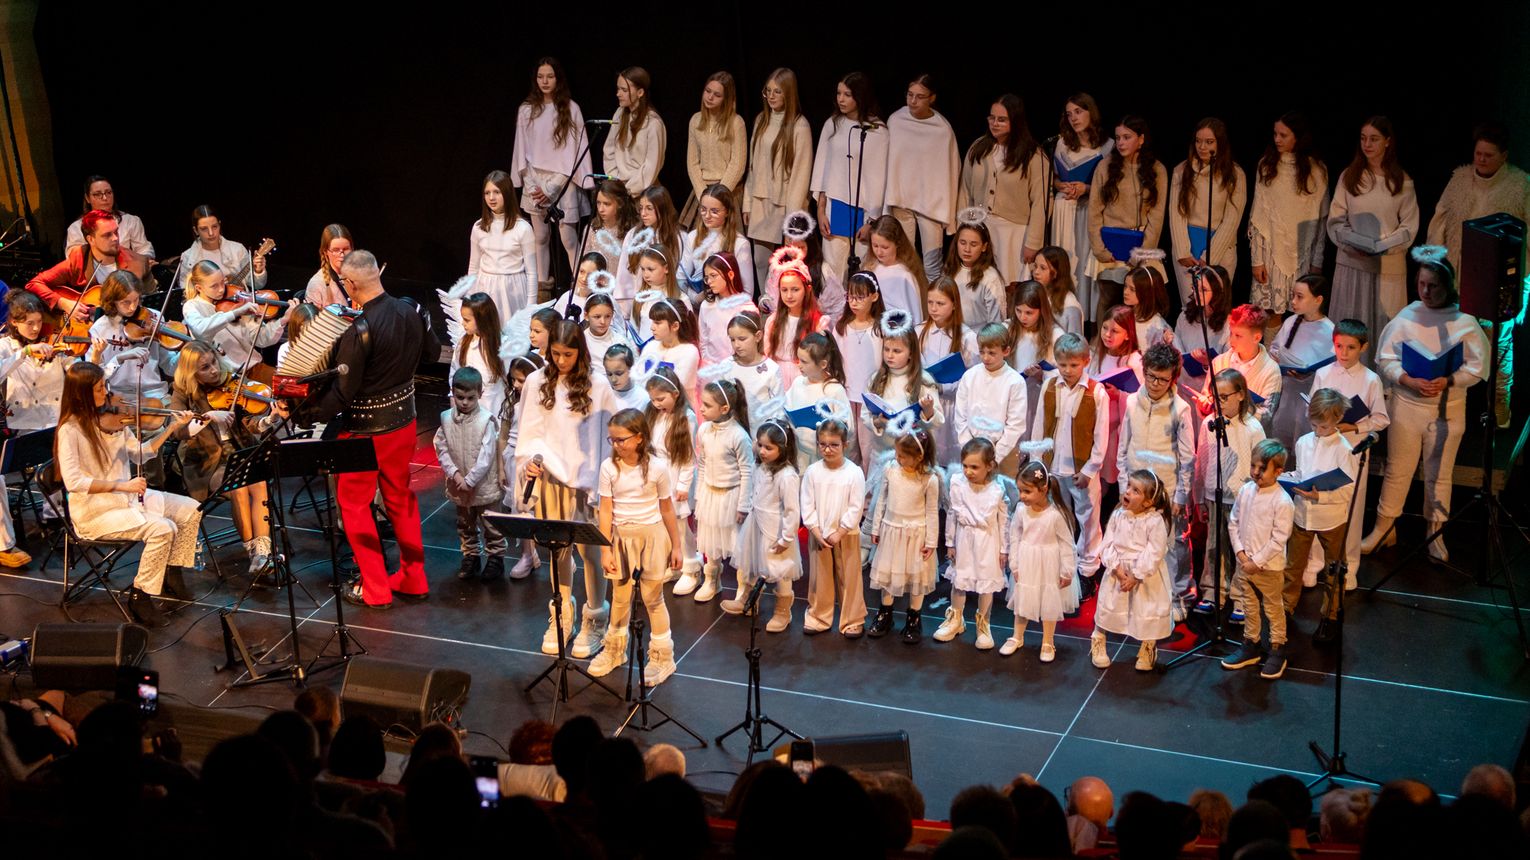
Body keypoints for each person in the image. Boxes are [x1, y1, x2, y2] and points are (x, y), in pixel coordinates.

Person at [282, 250, 428, 610]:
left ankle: (376, 589)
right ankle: (414, 577)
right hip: (405, 423)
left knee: (354, 505)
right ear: (378, 272)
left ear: (349, 284)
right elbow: (432, 351)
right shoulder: (411, 311)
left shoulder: (359, 328)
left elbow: (343, 394)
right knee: (400, 499)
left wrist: (305, 414)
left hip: (365, 433)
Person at [1362, 247, 1489, 562]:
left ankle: (1435, 534)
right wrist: (1406, 379)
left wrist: (1449, 380)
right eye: (1422, 284)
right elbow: (1385, 358)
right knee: (1397, 471)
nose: (1426, 291)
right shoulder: (1408, 315)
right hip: (1408, 405)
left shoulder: (1464, 320)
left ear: (1448, 286)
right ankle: (1384, 529)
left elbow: (1478, 366)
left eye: (1433, 286)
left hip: (1447, 408)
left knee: (1439, 474)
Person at [55, 362, 200, 626]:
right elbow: (74, 482)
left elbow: (141, 452)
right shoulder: (71, 430)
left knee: (191, 509)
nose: (106, 393)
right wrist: (123, 485)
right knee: (162, 528)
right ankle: (141, 594)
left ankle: (170, 571)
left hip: (129, 500)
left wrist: (169, 429)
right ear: (82, 394)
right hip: (95, 512)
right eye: (100, 389)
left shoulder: (115, 421)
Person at [515, 319, 620, 654]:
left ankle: (595, 619)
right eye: (556, 354)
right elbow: (529, 430)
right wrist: (529, 460)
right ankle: (561, 613)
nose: (560, 361)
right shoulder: (537, 381)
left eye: (568, 354)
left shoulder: (598, 385)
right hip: (550, 478)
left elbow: (607, 433)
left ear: (580, 352)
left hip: (585, 480)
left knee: (590, 552)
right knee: (557, 550)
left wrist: (602, 482)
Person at [1427, 122, 1528, 429]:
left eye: (1488, 155)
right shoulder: (1460, 180)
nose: (1481, 160)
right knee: (1455, 345)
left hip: (1500, 282)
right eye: (1478, 154)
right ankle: (1456, 412)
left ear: (1503, 156)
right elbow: (1440, 222)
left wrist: (1522, 284)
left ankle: (1500, 409)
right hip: (1461, 278)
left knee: (1498, 349)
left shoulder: (1520, 185)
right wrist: (1437, 267)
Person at [589, 408, 685, 685]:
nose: (616, 445)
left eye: (621, 439)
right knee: (620, 597)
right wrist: (605, 549)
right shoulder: (609, 468)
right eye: (612, 440)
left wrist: (676, 547)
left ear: (639, 438)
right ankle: (615, 650)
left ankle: (662, 657)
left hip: (652, 536)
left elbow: (668, 509)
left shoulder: (657, 468)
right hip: (621, 537)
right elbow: (605, 511)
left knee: (653, 598)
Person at [170, 340, 280, 577]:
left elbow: (252, 425)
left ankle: (262, 552)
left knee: (258, 482)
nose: (214, 370)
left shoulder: (231, 383)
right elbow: (177, 430)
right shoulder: (182, 392)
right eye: (205, 368)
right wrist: (207, 417)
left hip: (241, 454)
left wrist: (270, 420)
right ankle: (254, 552)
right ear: (192, 372)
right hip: (208, 465)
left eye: (213, 363)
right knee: (239, 487)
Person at [1117, 343, 1197, 619]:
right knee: (1138, 540)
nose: (1155, 383)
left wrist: (1180, 496)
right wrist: (1123, 487)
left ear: (1173, 379)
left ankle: (1180, 595)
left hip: (1166, 490)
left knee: (1174, 544)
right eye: (1150, 376)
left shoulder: (1180, 409)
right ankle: (1145, 590)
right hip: (1137, 488)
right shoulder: (1131, 402)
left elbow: (1187, 458)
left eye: (1162, 379)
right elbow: (1123, 447)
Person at [1327, 116, 1418, 350]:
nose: (1367, 144)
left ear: (1387, 142)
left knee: (1383, 330)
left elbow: (1409, 227)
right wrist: (1352, 244)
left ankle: (1381, 384)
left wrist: (1384, 246)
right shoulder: (1350, 176)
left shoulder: (1402, 181)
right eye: (1363, 138)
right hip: (1352, 264)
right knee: (1349, 330)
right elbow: (1336, 220)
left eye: (1374, 139)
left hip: (1386, 268)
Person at [1313, 318, 1390, 588]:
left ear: (1363, 347)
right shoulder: (1324, 373)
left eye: (1350, 348)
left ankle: (1349, 565)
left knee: (1352, 507)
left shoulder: (1370, 379)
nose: (1343, 353)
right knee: (1319, 500)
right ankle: (1315, 562)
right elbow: (1312, 407)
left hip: (1353, 448)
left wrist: (1354, 425)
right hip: (1324, 446)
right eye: (1338, 346)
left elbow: (1381, 419)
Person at [1030, 332, 1109, 585]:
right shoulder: (1050, 385)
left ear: (1086, 361)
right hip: (1053, 468)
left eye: (1073, 365)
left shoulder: (1097, 393)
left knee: (1088, 519)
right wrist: (1037, 460)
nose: (1067, 370)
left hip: (1081, 471)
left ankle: (1087, 569)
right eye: (1062, 364)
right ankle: (1063, 565)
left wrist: (1089, 469)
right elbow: (1040, 425)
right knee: (1060, 517)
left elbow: (1100, 436)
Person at [1283, 389, 1358, 649]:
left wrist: (1320, 496)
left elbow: (1348, 490)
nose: (1318, 430)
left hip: (1332, 519)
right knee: (1293, 566)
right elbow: (1303, 471)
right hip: (1303, 515)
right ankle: (1285, 608)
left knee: (1333, 569)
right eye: (1314, 425)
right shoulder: (1304, 442)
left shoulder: (1344, 449)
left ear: (1336, 420)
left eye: (1324, 426)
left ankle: (1330, 616)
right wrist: (1293, 480)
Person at [512, 57, 592, 293]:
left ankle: (581, 287)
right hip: (535, 181)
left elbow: (576, 152)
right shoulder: (527, 110)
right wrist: (531, 183)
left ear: (558, 79)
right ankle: (542, 287)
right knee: (541, 237)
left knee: (568, 238)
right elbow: (521, 150)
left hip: (563, 182)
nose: (545, 81)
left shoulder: (570, 108)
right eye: (540, 77)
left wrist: (553, 187)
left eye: (550, 76)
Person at [1220, 439, 1296, 680]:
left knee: (1273, 608)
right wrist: (1241, 553)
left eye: (1262, 468)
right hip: (1245, 564)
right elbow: (1234, 522)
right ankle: (1251, 643)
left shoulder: (1282, 501)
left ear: (1278, 471)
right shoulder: (1245, 491)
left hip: (1268, 568)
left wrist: (1257, 561)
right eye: (1254, 466)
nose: (1255, 472)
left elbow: (1279, 539)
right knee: (1249, 605)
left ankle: (1277, 648)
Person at [1193, 369, 1266, 617]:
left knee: (1241, 549)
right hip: (1215, 495)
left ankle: (1240, 596)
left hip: (1242, 499)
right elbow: (1201, 461)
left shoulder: (1253, 427)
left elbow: (1261, 463)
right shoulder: (1208, 424)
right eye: (1216, 397)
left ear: (1241, 394)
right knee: (1215, 546)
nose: (1219, 403)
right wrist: (1199, 496)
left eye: (1224, 397)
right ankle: (1213, 592)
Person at [722, 419, 801, 632]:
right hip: (757, 525)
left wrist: (786, 538)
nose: (762, 451)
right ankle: (748, 599)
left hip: (775, 530)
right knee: (752, 563)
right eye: (760, 444)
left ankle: (783, 611)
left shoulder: (787, 475)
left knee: (780, 570)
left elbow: (792, 511)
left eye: (769, 447)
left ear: (782, 449)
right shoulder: (760, 467)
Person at [1092, 469, 1174, 671]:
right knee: (1109, 607)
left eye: (1135, 490)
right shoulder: (1119, 515)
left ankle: (1148, 647)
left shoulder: (1155, 521)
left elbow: (1155, 552)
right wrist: (1118, 570)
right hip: (1118, 572)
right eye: (1128, 486)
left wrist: (1136, 575)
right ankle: (1098, 639)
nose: (1127, 491)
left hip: (1144, 576)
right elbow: (1107, 543)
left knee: (1146, 609)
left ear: (1147, 502)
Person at [1249, 111, 1329, 316]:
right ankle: (1270, 348)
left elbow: (1320, 221)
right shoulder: (1267, 165)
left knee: (1301, 313)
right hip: (1271, 253)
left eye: (1283, 135)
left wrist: (1316, 262)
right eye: (1275, 134)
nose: (1277, 139)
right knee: (1270, 313)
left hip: (1303, 255)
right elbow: (1259, 217)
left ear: (1298, 137)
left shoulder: (1316, 170)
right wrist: (1257, 260)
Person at [962, 94, 1046, 284]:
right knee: (979, 283)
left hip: (1014, 233)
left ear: (1015, 121)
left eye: (1002, 119)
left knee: (1008, 283)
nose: (995, 123)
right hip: (981, 228)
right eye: (992, 118)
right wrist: (965, 228)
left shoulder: (1032, 155)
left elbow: (1041, 202)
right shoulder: (979, 148)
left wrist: (1033, 243)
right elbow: (965, 191)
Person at [810, 71, 888, 279]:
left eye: (848, 94)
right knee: (833, 271)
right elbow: (822, 168)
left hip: (863, 211)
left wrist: (872, 221)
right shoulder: (832, 124)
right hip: (835, 206)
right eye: (839, 93)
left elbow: (879, 177)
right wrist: (820, 209)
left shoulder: (877, 130)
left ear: (860, 97)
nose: (841, 99)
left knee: (863, 270)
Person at [866, 427, 940, 642]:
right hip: (891, 530)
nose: (897, 458)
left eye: (902, 456)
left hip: (916, 534)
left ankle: (914, 619)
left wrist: (931, 541)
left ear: (919, 457)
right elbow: (882, 499)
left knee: (917, 577)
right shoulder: (890, 469)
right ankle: (885, 614)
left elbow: (932, 511)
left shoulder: (929, 479)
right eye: (896, 453)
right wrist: (876, 526)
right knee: (888, 574)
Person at [1087, 115, 1168, 313]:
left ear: (1141, 139)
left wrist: (1142, 251)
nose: (1121, 142)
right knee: (1109, 301)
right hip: (1110, 247)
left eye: (1127, 137)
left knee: (1142, 302)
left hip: (1141, 246)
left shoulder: (1157, 170)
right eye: (1118, 137)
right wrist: (1100, 249)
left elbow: (1156, 217)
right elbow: (1094, 212)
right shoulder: (1105, 167)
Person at [434, 367, 507, 582]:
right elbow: (441, 447)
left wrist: (471, 479)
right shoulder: (446, 418)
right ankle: (471, 556)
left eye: (470, 398)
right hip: (459, 484)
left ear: (480, 394)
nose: (464, 402)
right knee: (465, 523)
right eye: (460, 397)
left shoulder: (486, 420)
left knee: (491, 523)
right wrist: (455, 475)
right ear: (453, 393)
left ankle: (495, 559)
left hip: (482, 484)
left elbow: (487, 454)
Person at [744, 68, 814, 290]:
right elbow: (753, 167)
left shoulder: (799, 125)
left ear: (789, 94)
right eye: (768, 91)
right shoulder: (761, 120)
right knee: (759, 260)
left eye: (778, 92)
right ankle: (764, 310)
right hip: (760, 201)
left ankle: (772, 309)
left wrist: (792, 222)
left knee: (782, 265)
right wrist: (747, 202)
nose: (771, 96)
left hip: (784, 205)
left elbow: (801, 176)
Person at [1002, 459, 1080, 661]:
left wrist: (1067, 571)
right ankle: (1017, 636)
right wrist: (1015, 564)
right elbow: (1015, 536)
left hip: (1048, 563)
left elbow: (1066, 544)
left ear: (1044, 488)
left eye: (1027, 491)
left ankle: (1048, 641)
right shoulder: (1021, 510)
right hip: (1027, 560)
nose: (1022, 496)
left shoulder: (1055, 514)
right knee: (1022, 600)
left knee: (1048, 603)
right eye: (1020, 491)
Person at [885, 73, 960, 281]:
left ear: (932, 98)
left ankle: (933, 311)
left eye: (920, 96)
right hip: (902, 201)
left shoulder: (942, 129)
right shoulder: (896, 120)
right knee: (905, 262)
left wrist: (950, 212)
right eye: (910, 95)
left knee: (932, 266)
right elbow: (890, 162)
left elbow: (951, 170)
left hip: (931, 205)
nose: (913, 101)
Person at [936, 438, 1009, 649]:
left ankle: (983, 623)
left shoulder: (997, 489)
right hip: (964, 539)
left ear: (989, 466)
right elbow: (952, 514)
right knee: (959, 580)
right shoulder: (958, 483)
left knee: (985, 583)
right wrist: (950, 542)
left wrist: (1004, 549)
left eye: (974, 467)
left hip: (987, 541)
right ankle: (955, 619)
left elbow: (1004, 522)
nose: (968, 471)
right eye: (965, 466)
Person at [800, 418, 867, 636]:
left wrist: (840, 531)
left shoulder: (853, 472)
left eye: (834, 445)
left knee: (849, 578)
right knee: (820, 579)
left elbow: (856, 506)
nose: (827, 449)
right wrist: (815, 530)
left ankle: (852, 619)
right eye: (823, 444)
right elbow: (807, 503)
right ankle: (819, 615)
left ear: (845, 445)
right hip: (819, 534)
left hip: (845, 535)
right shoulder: (812, 471)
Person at [1168, 118, 1246, 305]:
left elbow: (1232, 218)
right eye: (1198, 141)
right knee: (1191, 308)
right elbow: (1176, 213)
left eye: (1209, 142)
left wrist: (1209, 257)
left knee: (1216, 308)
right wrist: (1183, 251)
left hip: (1219, 250)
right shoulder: (1181, 170)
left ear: (1220, 143)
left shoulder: (1235, 174)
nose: (1202, 147)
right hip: (1188, 251)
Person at [27, 209, 152, 322]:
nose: (115, 238)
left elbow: (151, 303)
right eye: (107, 235)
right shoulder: (78, 260)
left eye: (116, 232)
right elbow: (34, 284)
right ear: (90, 239)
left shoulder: (138, 264)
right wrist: (63, 303)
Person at [181, 259, 297, 382]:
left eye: (222, 282)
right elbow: (201, 329)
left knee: (292, 386)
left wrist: (283, 320)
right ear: (199, 288)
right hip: (225, 377)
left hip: (253, 368)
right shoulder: (192, 306)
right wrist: (236, 312)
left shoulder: (235, 301)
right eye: (214, 286)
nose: (221, 289)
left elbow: (261, 339)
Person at [1051, 94, 1112, 325]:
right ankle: (1061, 314)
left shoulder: (1107, 146)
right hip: (1063, 209)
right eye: (1069, 113)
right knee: (1065, 259)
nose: (1073, 118)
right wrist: (1060, 185)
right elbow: (1054, 179)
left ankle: (1085, 321)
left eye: (1078, 111)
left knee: (1083, 261)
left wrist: (1086, 188)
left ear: (1091, 112)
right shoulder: (1061, 143)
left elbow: (1109, 186)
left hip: (1088, 210)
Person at [691, 379, 754, 603]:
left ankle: (743, 588)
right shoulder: (704, 430)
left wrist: (743, 505)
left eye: (707, 405)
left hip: (732, 496)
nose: (701, 409)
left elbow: (748, 472)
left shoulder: (738, 436)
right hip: (710, 494)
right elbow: (703, 463)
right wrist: (699, 497)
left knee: (738, 546)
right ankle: (712, 580)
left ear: (724, 408)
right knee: (711, 542)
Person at [645, 366, 702, 596]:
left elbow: (689, 457)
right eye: (653, 399)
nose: (656, 403)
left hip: (677, 475)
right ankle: (675, 565)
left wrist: (683, 486)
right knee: (664, 525)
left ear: (675, 394)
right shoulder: (654, 414)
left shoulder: (686, 418)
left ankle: (691, 567)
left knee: (680, 525)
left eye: (661, 398)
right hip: (659, 476)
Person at [1267, 274, 1336, 449]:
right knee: (1281, 444)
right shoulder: (1291, 322)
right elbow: (1275, 349)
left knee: (1304, 447)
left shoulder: (1330, 331)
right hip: (1287, 394)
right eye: (1293, 296)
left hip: (1309, 397)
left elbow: (1333, 367)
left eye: (1300, 297)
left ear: (1318, 300)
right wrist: (1278, 359)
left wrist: (1309, 374)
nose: (1294, 302)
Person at [918, 277, 978, 464]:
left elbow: (973, 378)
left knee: (950, 458)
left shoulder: (967, 337)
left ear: (954, 305)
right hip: (925, 404)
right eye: (930, 302)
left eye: (940, 303)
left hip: (953, 405)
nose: (934, 308)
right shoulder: (919, 332)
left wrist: (945, 387)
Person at [954, 322, 1027, 476]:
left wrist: (994, 457)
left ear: (1006, 351)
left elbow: (1016, 425)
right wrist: (970, 449)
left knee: (1002, 496)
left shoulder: (1015, 381)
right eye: (982, 352)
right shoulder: (970, 376)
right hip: (972, 449)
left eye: (992, 353)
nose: (986, 358)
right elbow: (960, 417)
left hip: (1003, 452)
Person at [468, 170, 539, 319]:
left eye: (496, 192)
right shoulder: (479, 227)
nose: (491, 198)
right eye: (487, 193)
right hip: (485, 287)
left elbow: (532, 272)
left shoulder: (523, 228)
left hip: (512, 289)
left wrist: (531, 307)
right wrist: (471, 299)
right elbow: (473, 267)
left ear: (506, 193)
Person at [684, 71, 747, 226]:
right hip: (702, 191)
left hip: (727, 192)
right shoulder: (696, 120)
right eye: (708, 91)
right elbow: (692, 162)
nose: (710, 97)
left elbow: (737, 163)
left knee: (726, 244)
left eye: (717, 95)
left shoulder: (736, 123)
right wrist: (703, 196)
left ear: (726, 98)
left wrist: (719, 196)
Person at [1209, 304, 1281, 423]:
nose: (1231, 340)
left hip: (1251, 436)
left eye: (1238, 336)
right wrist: (1205, 404)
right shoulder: (1220, 362)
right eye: (1231, 333)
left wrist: (1236, 405)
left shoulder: (1271, 370)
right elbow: (1208, 396)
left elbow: (1267, 415)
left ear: (1256, 337)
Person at [172, 204, 270, 292]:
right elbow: (185, 291)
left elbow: (258, 285)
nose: (211, 233)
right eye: (204, 229)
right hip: (206, 310)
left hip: (239, 306)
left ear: (219, 224)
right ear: (196, 230)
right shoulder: (187, 257)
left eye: (215, 226)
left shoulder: (237, 249)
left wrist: (259, 271)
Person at [603, 67, 666, 197]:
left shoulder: (653, 123)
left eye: (624, 90)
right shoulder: (619, 114)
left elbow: (651, 166)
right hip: (620, 190)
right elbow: (609, 150)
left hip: (643, 192)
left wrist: (628, 190)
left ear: (640, 92)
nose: (618, 94)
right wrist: (616, 182)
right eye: (618, 89)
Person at [64, 176, 154, 256]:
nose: (105, 198)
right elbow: (73, 259)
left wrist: (142, 263)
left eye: (108, 192)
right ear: (87, 198)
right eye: (98, 194)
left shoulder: (130, 221)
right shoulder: (76, 228)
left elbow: (144, 249)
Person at [944, 218, 1005, 328]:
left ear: (984, 247)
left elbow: (996, 321)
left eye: (973, 244)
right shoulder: (949, 270)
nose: (967, 249)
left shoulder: (990, 277)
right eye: (963, 243)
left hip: (979, 339)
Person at [304, 224, 354, 307]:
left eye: (346, 249)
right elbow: (311, 319)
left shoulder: (360, 277)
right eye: (335, 250)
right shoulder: (316, 284)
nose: (342, 255)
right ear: (325, 252)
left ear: (352, 249)